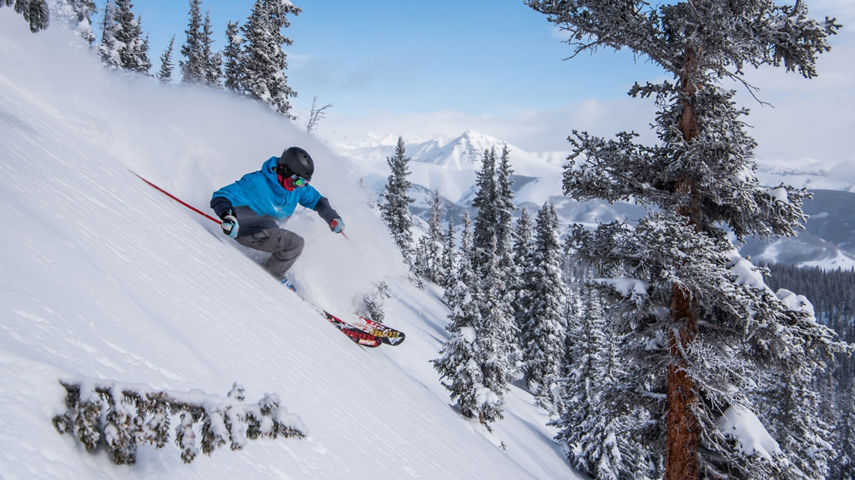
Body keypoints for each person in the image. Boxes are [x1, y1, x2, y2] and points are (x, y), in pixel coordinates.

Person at [210, 147, 343, 288]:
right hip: (246, 230)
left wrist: (332, 217)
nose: (300, 186)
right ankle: (272, 276)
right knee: (295, 243)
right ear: (284, 170)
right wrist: (228, 216)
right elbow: (220, 196)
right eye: (298, 182)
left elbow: (318, 201)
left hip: (269, 230)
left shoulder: (297, 188)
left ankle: (273, 265)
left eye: (305, 183)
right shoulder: (256, 182)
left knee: (308, 244)